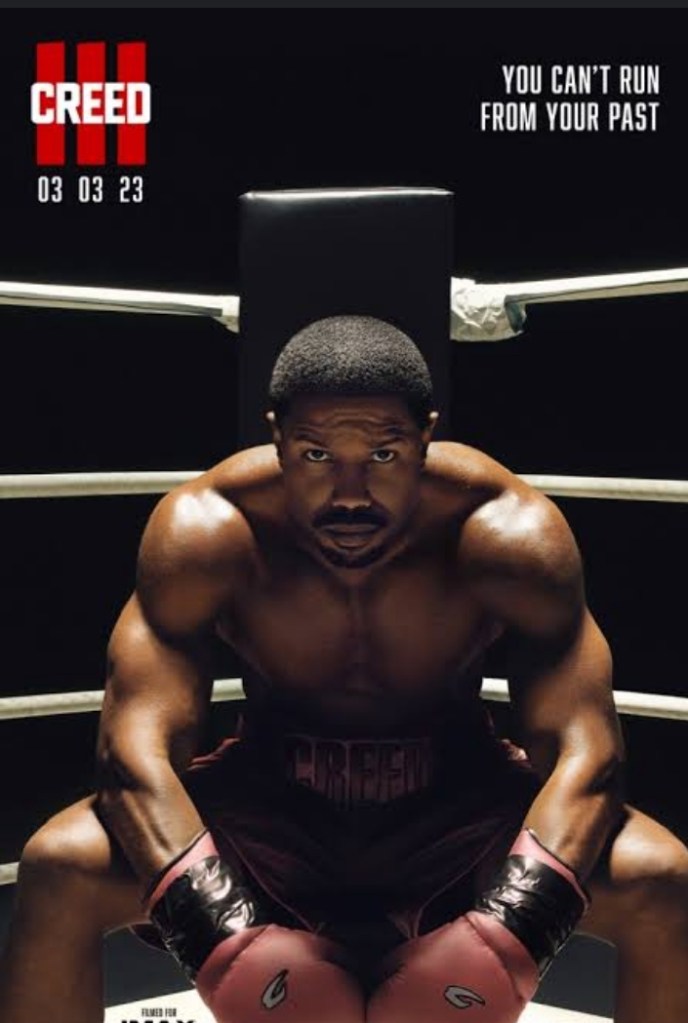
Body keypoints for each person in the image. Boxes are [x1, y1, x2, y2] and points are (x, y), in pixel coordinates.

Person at [1, 315, 687, 1023]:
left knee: (659, 877)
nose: (351, 493)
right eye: (316, 455)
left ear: (425, 436)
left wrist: (513, 928)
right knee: (63, 863)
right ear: (277, 438)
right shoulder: (210, 530)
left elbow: (587, 753)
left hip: (458, 810)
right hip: (271, 809)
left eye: (384, 454)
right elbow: (131, 753)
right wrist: (218, 931)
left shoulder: (505, 531)